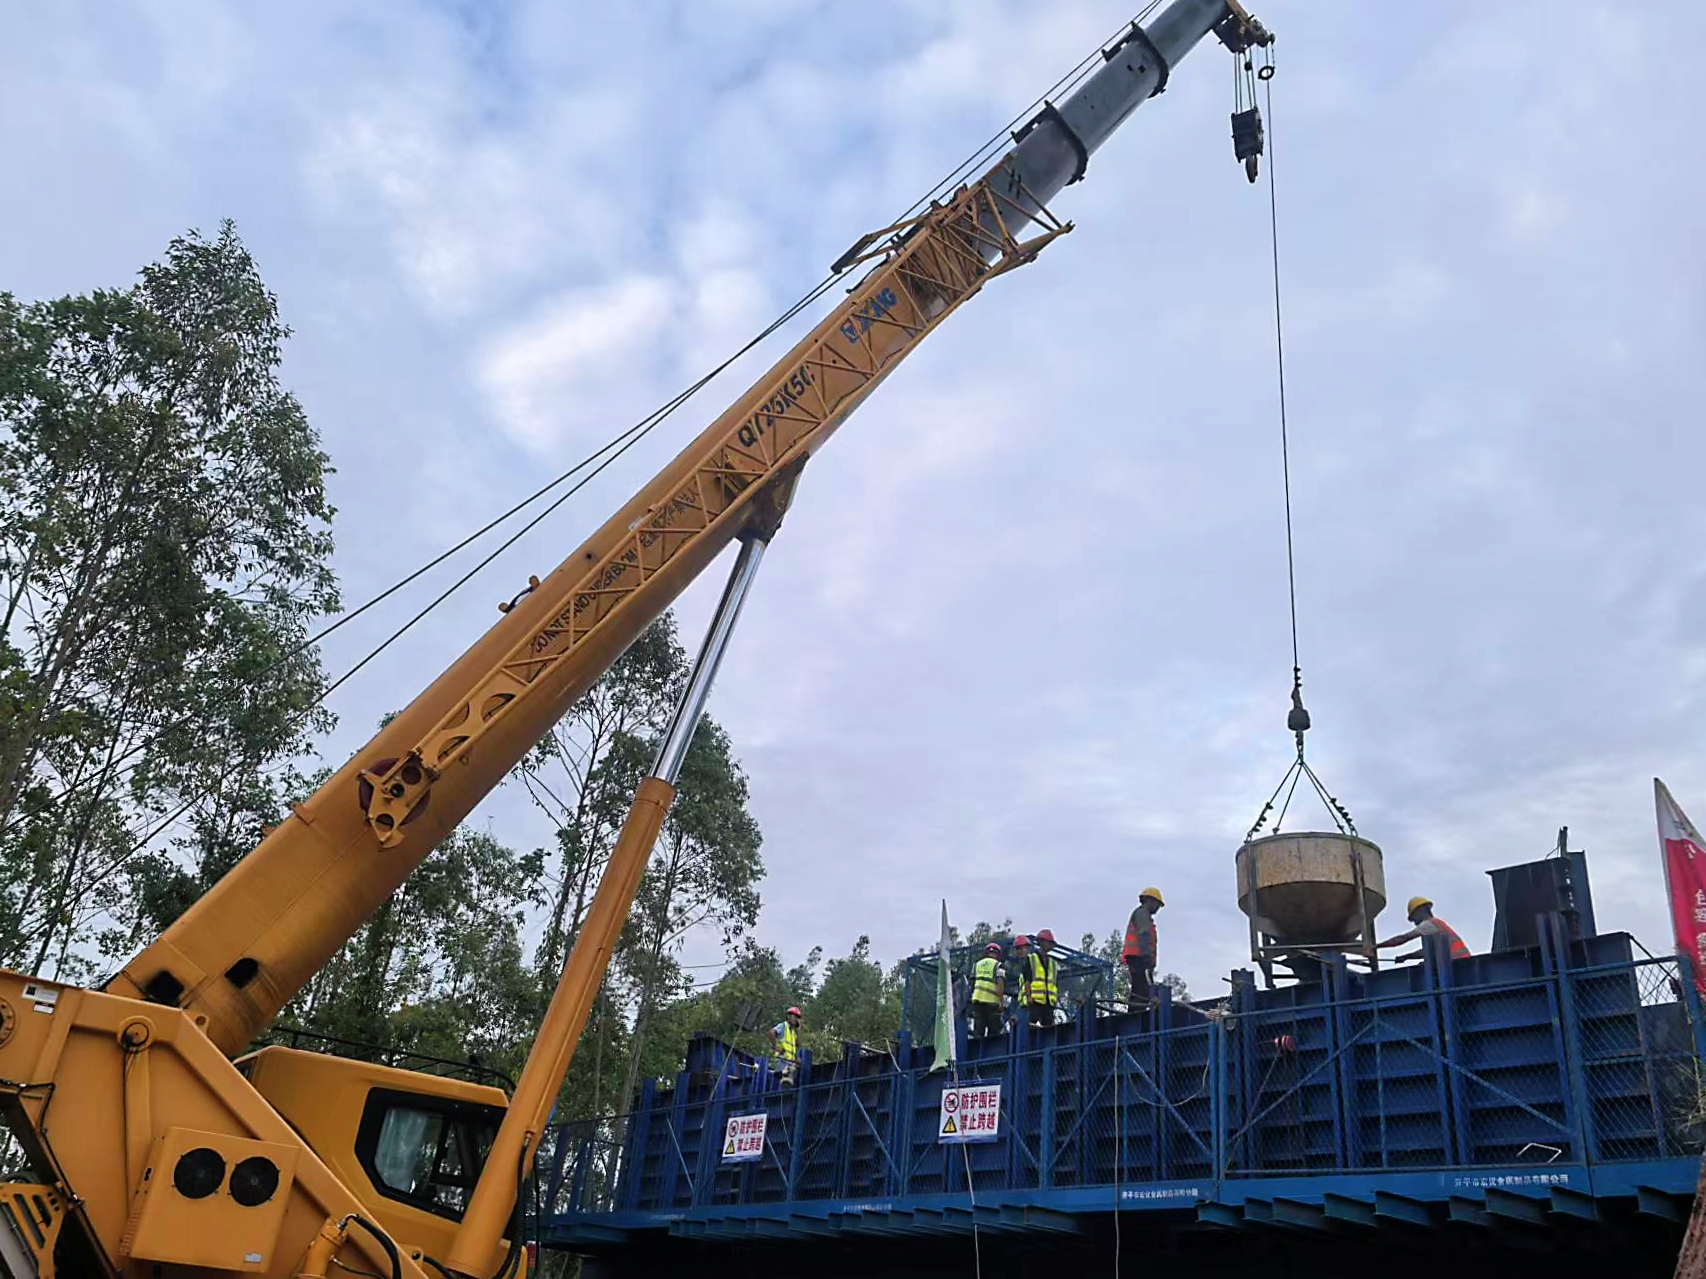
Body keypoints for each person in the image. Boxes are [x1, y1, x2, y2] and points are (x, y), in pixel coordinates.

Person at [1379, 896, 1471, 960]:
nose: (1414, 923)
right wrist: (1405, 957)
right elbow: (1426, 952)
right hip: (1462, 961)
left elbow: (1403, 938)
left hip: (1456, 962)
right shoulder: (1437, 924)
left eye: (1413, 918)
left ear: (1420, 911)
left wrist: (1377, 946)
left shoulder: (1428, 924)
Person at [1122, 887, 1165, 1010]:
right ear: (1150, 900)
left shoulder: (1143, 915)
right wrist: (1146, 955)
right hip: (1138, 957)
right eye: (1157, 904)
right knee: (1142, 989)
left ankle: (1137, 1012)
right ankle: (1136, 1014)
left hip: (1137, 957)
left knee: (1142, 988)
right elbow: (1144, 934)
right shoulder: (1142, 913)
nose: (1157, 908)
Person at [1020, 928, 1061, 1029]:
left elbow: (1054, 983)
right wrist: (1029, 996)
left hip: (1049, 1002)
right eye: (1049, 943)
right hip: (1035, 1000)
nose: (1050, 946)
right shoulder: (1031, 959)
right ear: (1041, 942)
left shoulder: (1053, 963)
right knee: (1030, 1023)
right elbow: (1027, 980)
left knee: (1049, 1027)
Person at [968, 942, 1005, 1039]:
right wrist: (1001, 1001)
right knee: (994, 1031)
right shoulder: (998, 965)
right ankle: (992, 1046)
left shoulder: (976, 965)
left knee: (979, 1030)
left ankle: (978, 1046)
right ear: (998, 954)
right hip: (992, 1002)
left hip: (978, 1001)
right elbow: (1000, 983)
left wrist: (970, 998)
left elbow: (971, 983)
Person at [769, 1005, 803, 1084]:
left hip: (790, 1063)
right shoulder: (783, 1026)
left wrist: (796, 1058)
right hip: (782, 1061)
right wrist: (775, 1047)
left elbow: (797, 1046)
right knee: (783, 1082)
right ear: (788, 1016)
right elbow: (771, 1032)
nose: (795, 1019)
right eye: (794, 1016)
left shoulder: (793, 1033)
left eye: (797, 1017)